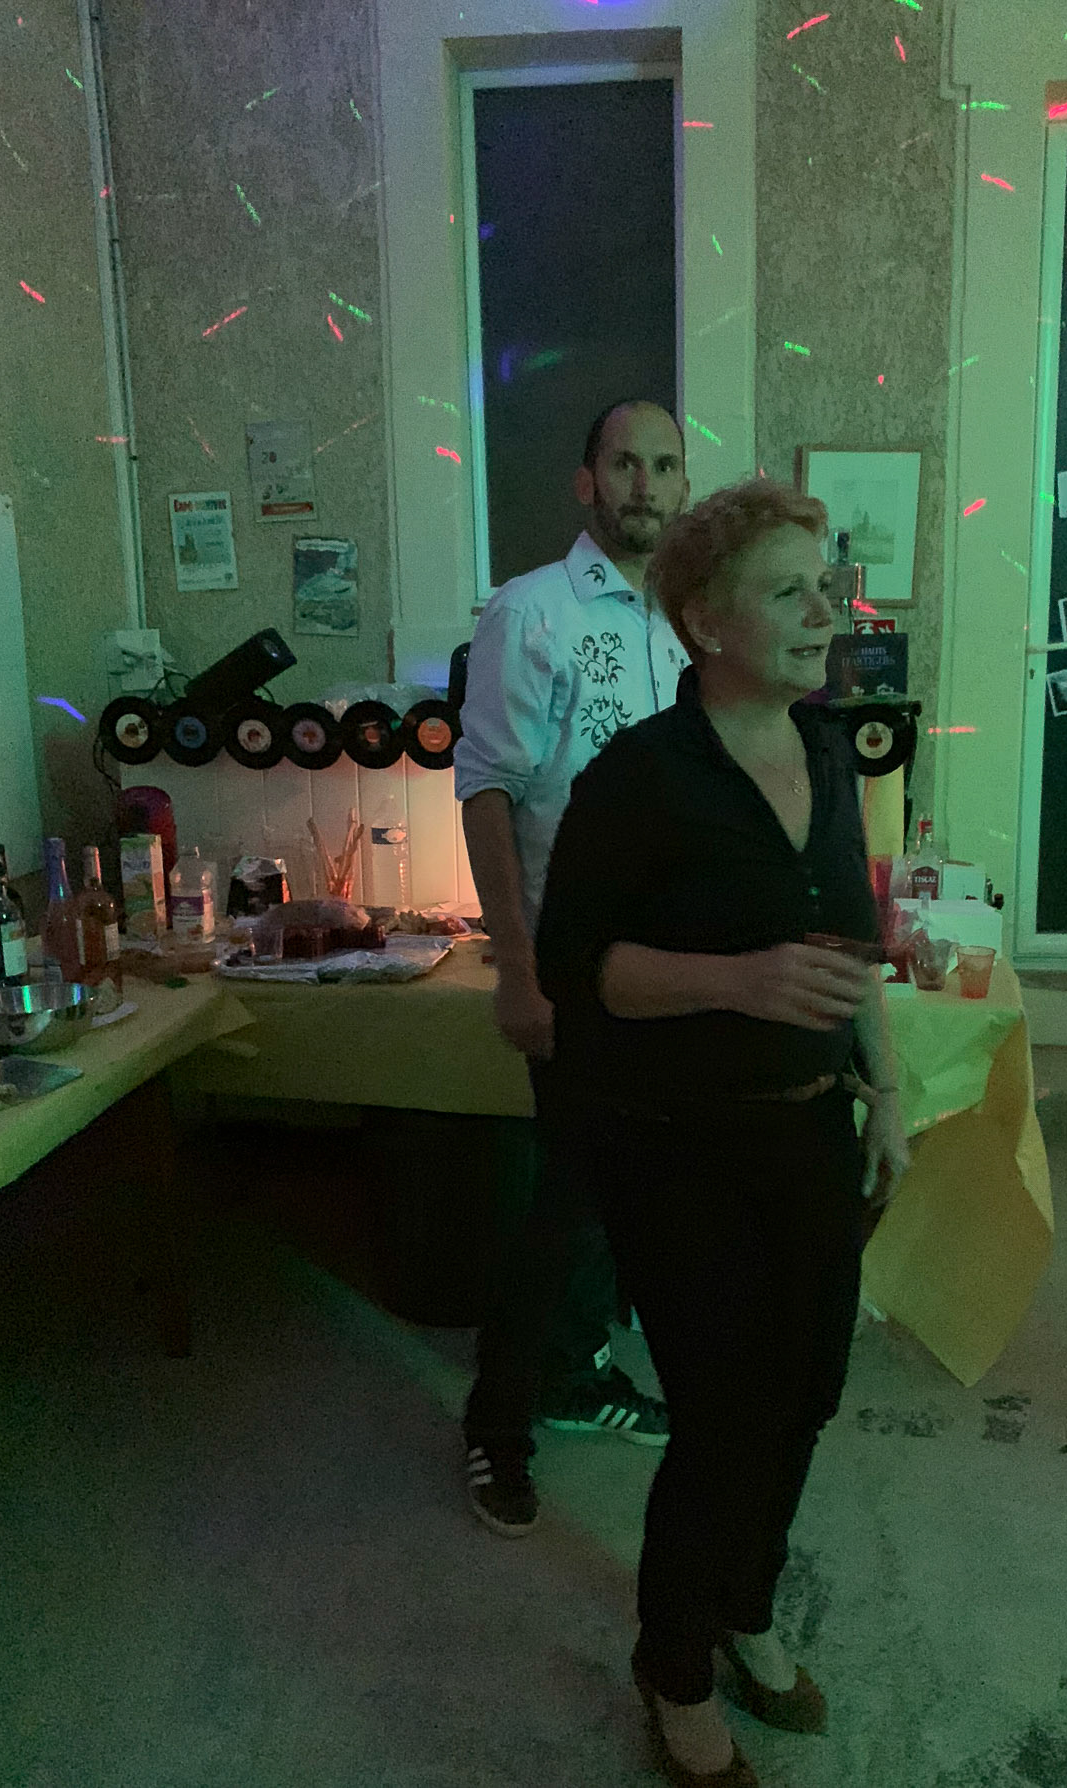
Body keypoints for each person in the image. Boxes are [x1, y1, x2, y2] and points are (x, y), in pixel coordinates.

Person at [535, 478, 910, 1785]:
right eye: (788, 592)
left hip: (809, 1135)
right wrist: (736, 980)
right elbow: (580, 971)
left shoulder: (825, 751)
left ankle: (746, 1607)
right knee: (722, 1415)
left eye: (826, 586)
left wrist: (887, 1092)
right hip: (676, 1148)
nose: (825, 614)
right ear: (705, 620)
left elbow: (850, 947)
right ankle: (674, 1664)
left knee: (805, 1391)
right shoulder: (640, 778)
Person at [453, 400, 692, 1537]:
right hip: (570, 964)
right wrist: (516, 968)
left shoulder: (687, 620)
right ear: (586, 482)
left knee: (619, 1197)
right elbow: (487, 790)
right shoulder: (530, 611)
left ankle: (574, 1369)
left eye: (665, 465)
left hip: (670, 969)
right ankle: (495, 1422)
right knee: (568, 1203)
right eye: (625, 463)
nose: (646, 483)